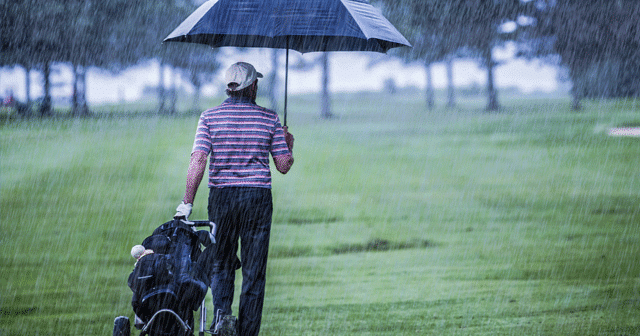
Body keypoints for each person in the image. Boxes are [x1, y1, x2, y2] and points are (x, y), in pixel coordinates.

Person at [175, 61, 294, 336]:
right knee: (254, 271)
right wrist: (288, 143)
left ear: (229, 88)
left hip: (222, 198)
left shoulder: (209, 117)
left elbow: (198, 160)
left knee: (222, 261)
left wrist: (187, 202)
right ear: (252, 86)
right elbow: (284, 165)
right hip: (257, 199)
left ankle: (222, 318)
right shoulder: (270, 118)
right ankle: (248, 332)